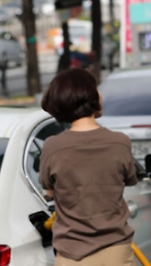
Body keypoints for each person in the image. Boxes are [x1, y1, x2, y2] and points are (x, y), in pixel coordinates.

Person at [39, 68, 138, 266]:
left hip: (71, 254)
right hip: (115, 251)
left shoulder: (52, 146)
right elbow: (129, 179)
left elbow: (49, 191)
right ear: (91, 96)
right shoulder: (120, 142)